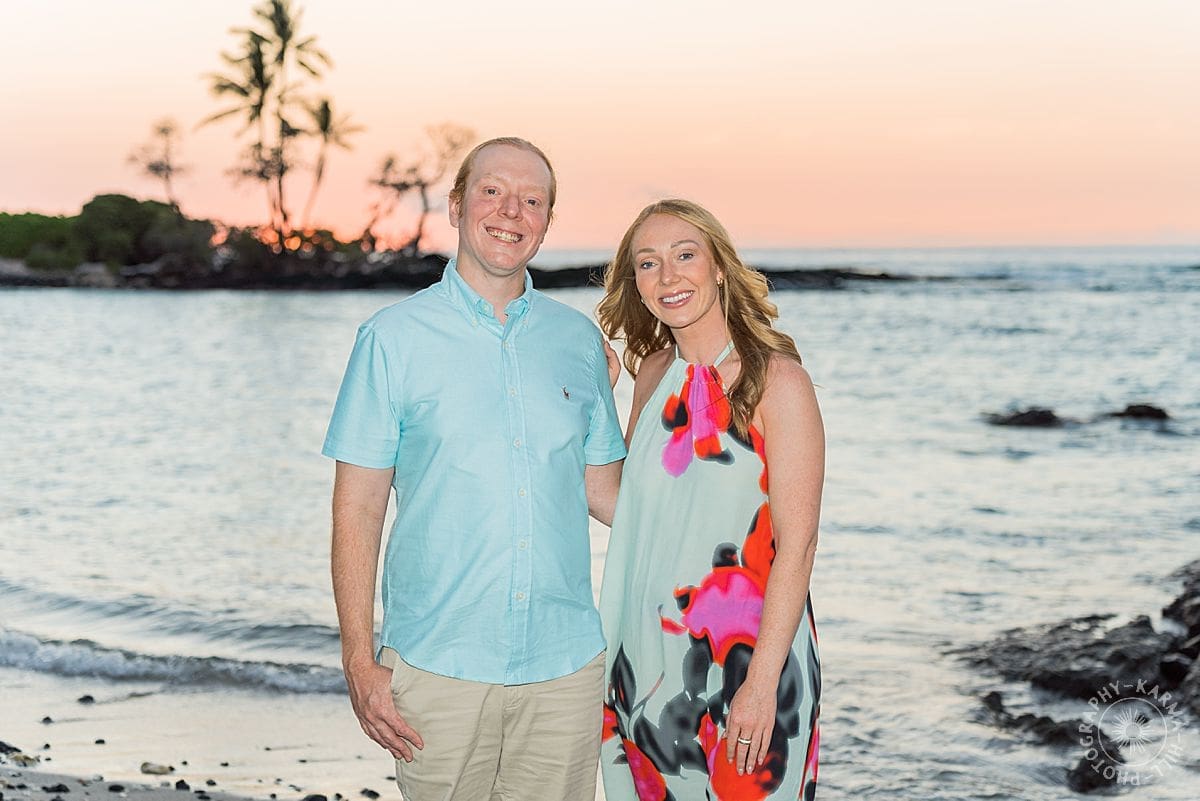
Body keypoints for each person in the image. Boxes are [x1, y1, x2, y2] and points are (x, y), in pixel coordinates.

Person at [323, 137, 626, 801]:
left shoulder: (578, 343)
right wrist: (357, 656)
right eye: (492, 191)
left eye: (532, 199)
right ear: (458, 206)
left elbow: (607, 493)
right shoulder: (391, 340)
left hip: (565, 667)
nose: (511, 210)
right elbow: (358, 507)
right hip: (438, 664)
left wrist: (707, 457)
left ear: (547, 220)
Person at [595, 199, 822, 800]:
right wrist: (593, 398)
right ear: (636, 286)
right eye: (648, 264)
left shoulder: (777, 381)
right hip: (645, 658)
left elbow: (797, 547)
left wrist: (762, 682)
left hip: (747, 663)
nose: (668, 276)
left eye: (684, 255)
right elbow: (618, 505)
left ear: (720, 266)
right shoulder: (653, 375)